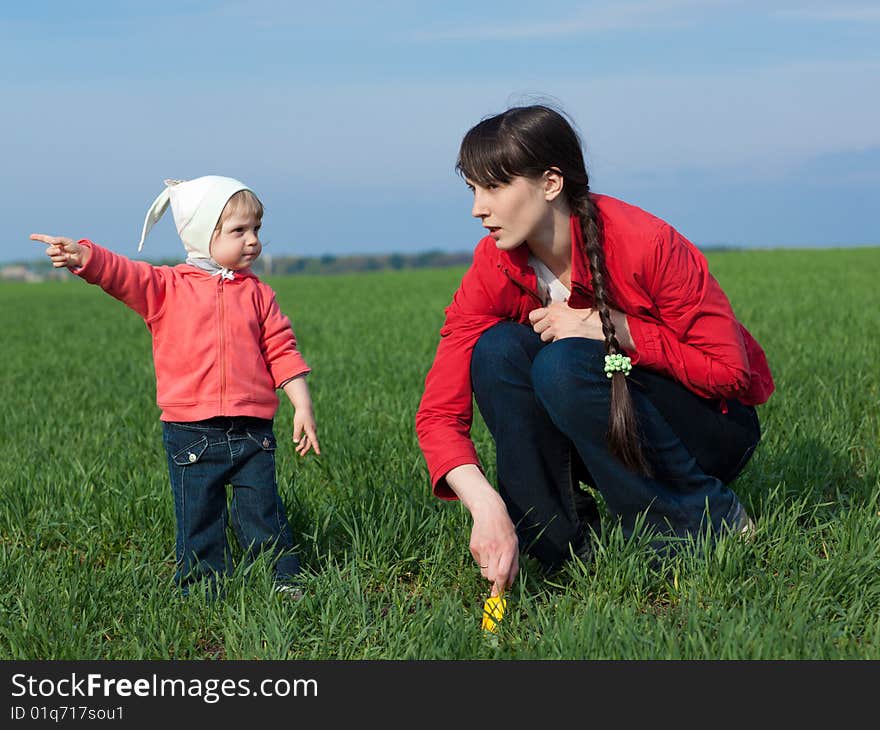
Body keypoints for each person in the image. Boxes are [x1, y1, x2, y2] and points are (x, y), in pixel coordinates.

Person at [415, 105, 775, 597]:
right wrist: (486, 504)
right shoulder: (494, 265)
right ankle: (559, 543)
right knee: (497, 351)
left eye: (494, 187)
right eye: (473, 190)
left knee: (563, 364)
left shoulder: (648, 244)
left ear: (550, 183)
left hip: (705, 430)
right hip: (604, 420)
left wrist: (614, 330)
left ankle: (704, 517)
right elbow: (438, 412)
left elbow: (731, 374)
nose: (478, 208)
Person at [31, 176, 320, 597]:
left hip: (252, 431)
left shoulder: (260, 295)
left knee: (263, 511)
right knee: (198, 515)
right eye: (239, 231)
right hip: (191, 431)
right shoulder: (167, 288)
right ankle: (202, 588)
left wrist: (302, 406)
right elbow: (120, 274)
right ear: (205, 234)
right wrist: (83, 257)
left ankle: (282, 579)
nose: (253, 241)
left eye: (256, 229)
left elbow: (282, 351)